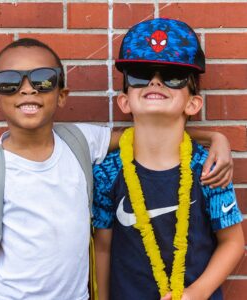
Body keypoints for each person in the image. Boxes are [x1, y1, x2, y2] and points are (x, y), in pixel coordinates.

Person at [0, 37, 234, 300]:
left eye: (43, 80)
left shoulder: (81, 142)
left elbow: (148, 134)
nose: (27, 88)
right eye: (9, 82)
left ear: (62, 95)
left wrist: (215, 138)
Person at [92, 18, 244, 300]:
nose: (155, 80)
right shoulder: (108, 172)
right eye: (139, 75)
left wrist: (197, 293)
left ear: (193, 103)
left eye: (173, 77)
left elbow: (233, 242)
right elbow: (102, 246)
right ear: (124, 101)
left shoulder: (209, 167)